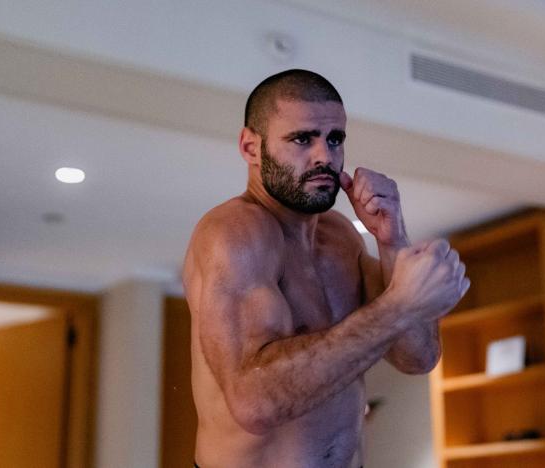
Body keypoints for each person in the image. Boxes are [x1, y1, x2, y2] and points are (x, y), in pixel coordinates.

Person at [182, 69, 470, 468]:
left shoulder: (340, 236)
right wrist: (400, 305)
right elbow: (254, 404)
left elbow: (417, 357)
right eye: (302, 138)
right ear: (250, 147)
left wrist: (392, 241)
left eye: (335, 139)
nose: (325, 156)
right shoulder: (234, 234)